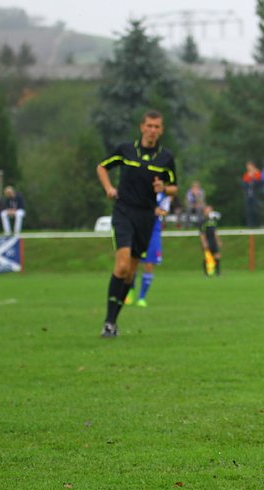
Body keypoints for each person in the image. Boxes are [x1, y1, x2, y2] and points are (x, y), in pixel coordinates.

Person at [96, 110, 177, 338]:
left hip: (146, 217)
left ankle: (113, 321)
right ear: (142, 127)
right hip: (124, 211)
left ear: (161, 130)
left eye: (157, 127)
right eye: (149, 125)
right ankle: (108, 322)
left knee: (130, 273)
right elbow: (101, 167)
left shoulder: (165, 157)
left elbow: (174, 187)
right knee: (122, 266)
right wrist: (108, 188)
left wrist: (164, 188)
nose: (152, 130)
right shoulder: (126, 150)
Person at [125, 191, 172, 307]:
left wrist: (159, 211)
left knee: (149, 264)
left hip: (153, 232)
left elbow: (165, 211)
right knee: (133, 263)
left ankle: (141, 297)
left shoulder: (163, 196)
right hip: (138, 229)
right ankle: (130, 291)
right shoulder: (141, 191)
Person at [200, 205, 222, 276]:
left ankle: (218, 272)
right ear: (204, 211)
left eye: (210, 210)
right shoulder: (203, 221)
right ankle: (206, 274)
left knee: (217, 256)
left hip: (213, 240)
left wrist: (218, 240)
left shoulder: (213, 220)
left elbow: (215, 231)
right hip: (207, 240)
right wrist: (204, 242)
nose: (209, 212)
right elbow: (202, 233)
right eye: (208, 210)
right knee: (207, 257)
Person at [242, 161, 262, 228]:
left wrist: (253, 177)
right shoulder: (246, 174)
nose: (248, 168)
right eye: (247, 166)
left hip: (255, 194)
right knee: (248, 210)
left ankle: (256, 224)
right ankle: (249, 224)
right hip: (248, 194)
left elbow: (259, 183)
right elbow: (244, 184)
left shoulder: (257, 173)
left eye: (250, 166)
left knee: (255, 209)